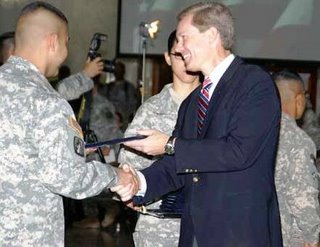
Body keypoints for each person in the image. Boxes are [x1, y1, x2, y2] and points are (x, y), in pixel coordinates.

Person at [112, 2, 283, 247]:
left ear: (212, 35)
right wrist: (139, 182)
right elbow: (179, 166)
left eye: (183, 38)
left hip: (239, 235)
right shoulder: (193, 102)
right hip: (194, 234)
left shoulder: (254, 84)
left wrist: (170, 144)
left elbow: (239, 151)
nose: (178, 48)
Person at [0, 2, 137, 246]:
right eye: (66, 42)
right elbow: (66, 178)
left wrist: (69, 150)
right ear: (53, 42)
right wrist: (115, 176)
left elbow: (16, 151)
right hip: (27, 236)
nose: (66, 51)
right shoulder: (47, 100)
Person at [118, 30, 200, 247]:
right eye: (178, 55)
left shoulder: (215, 107)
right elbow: (128, 164)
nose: (185, 61)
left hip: (206, 226)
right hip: (160, 228)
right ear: (167, 58)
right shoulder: (152, 110)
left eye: (189, 53)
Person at [273, 70, 320, 247]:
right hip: (286, 235)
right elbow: (303, 197)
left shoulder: (251, 131)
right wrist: (312, 237)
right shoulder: (297, 140)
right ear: (299, 100)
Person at [0, 30, 104, 101]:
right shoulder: (20, 85)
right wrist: (86, 75)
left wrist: (86, 74)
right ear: (12, 52)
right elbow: (55, 95)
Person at [102, 61, 138, 130]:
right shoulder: (108, 86)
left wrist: (121, 116)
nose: (118, 72)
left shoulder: (128, 87)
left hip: (122, 124)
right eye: (116, 70)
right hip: (107, 123)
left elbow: (132, 105)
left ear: (123, 71)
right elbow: (102, 102)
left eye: (120, 70)